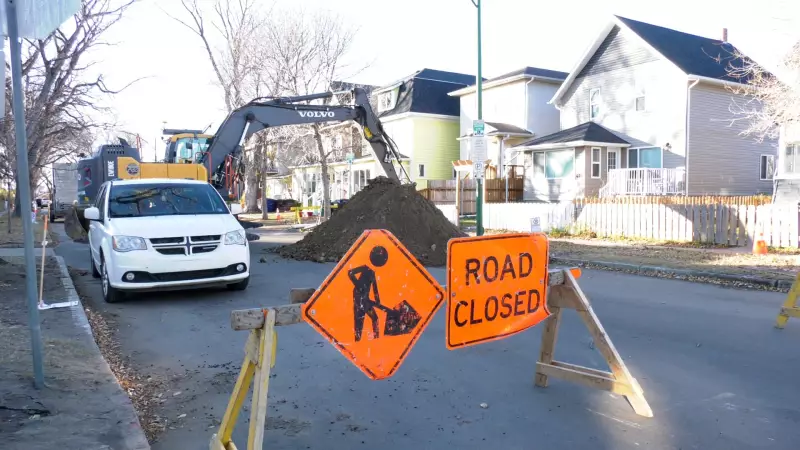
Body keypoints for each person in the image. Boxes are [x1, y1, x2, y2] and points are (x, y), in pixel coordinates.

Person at [348, 245, 389, 342]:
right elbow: (350, 273)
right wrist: (359, 286)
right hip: (359, 298)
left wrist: (378, 301)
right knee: (359, 323)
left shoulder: (372, 273)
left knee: (374, 319)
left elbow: (375, 288)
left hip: (365, 299)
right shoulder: (365, 268)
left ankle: (376, 341)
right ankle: (358, 344)